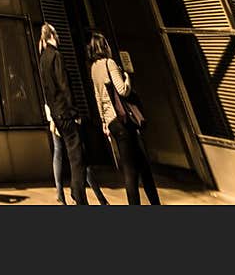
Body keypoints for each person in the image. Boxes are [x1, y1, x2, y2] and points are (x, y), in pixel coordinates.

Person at [87, 32, 161, 205]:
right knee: (133, 170)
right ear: (104, 46)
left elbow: (98, 97)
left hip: (112, 122)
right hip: (123, 121)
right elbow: (122, 90)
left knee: (136, 166)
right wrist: (127, 78)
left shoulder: (93, 68)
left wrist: (104, 122)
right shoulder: (109, 63)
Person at [37, 22, 88, 204]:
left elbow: (46, 89)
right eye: (56, 34)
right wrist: (74, 111)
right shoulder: (56, 56)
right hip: (65, 112)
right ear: (52, 35)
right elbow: (64, 85)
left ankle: (75, 194)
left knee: (66, 152)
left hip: (56, 114)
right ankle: (78, 195)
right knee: (77, 156)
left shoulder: (42, 59)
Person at [46, 102, 109, 204]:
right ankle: (100, 198)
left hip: (57, 116)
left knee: (59, 153)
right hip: (69, 117)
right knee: (80, 157)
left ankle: (61, 194)